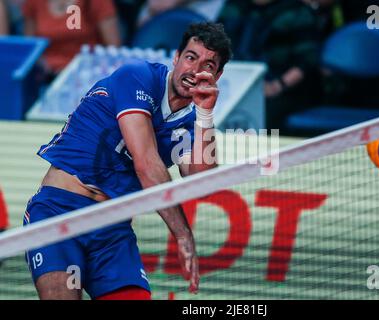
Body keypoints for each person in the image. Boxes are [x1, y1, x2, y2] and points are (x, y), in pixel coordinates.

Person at [23, 22, 232, 300]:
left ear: (217, 75)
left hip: (113, 228)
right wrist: (182, 234)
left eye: (208, 65)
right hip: (59, 211)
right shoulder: (138, 76)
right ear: (176, 57)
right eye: (191, 58)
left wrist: (205, 114)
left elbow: (201, 182)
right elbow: (146, 164)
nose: (195, 71)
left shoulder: (192, 125)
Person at [218, 0, 321, 131]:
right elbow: (215, 46)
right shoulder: (234, 7)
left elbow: (307, 60)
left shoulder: (297, 12)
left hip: (282, 89)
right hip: (233, 85)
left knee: (265, 114)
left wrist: (277, 86)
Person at [22, 0, 121, 82]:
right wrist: (41, 66)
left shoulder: (97, 2)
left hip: (86, 79)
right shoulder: (34, 2)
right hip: (46, 80)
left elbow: (113, 50)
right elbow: (29, 48)